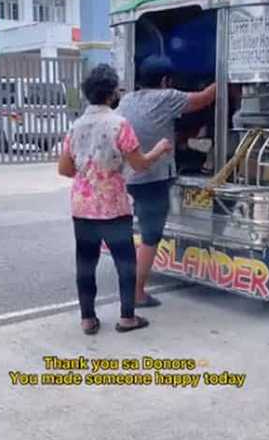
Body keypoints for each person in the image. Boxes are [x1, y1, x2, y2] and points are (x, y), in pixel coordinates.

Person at [58, 64, 171, 334]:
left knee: (86, 263)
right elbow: (140, 164)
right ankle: (127, 318)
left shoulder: (76, 127)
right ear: (111, 94)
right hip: (113, 206)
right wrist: (159, 149)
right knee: (125, 262)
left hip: (83, 206)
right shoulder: (119, 125)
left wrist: (88, 170)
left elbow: (64, 169)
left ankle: (88, 318)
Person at [117, 55, 216, 307]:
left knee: (142, 231)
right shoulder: (166, 97)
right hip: (151, 177)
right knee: (151, 236)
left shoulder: (127, 99)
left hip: (130, 176)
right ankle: (137, 294)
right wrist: (226, 79)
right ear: (165, 80)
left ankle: (132, 286)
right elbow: (204, 98)